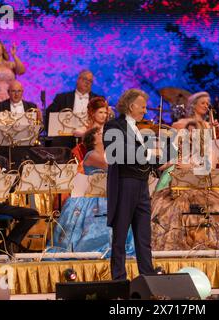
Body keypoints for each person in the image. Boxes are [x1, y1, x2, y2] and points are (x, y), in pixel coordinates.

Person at [103, 88, 161, 280]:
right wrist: (149, 154)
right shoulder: (113, 126)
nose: (145, 111)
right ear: (131, 106)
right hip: (124, 183)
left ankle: (148, 276)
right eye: (142, 106)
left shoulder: (139, 129)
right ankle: (119, 278)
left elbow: (147, 161)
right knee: (120, 236)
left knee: (144, 236)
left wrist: (162, 159)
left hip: (142, 185)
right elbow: (117, 154)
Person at [151, 120, 219, 251]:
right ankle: (171, 246)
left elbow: (209, 170)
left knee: (204, 208)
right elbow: (162, 166)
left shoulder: (208, 151)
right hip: (180, 190)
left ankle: (202, 243)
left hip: (202, 190)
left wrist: (190, 166)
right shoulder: (182, 150)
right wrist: (168, 160)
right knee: (164, 207)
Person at [51, 127, 135, 255]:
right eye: (101, 133)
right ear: (94, 140)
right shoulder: (91, 155)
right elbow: (112, 167)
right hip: (92, 198)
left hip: (109, 195)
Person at [46, 70, 101, 148]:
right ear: (78, 80)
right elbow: (50, 115)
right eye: (85, 79)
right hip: (66, 136)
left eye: (90, 81)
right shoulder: (62, 98)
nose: (87, 82)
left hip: (89, 137)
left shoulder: (98, 99)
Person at [71, 97, 111, 172]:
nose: (103, 116)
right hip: (93, 160)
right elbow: (75, 132)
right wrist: (91, 133)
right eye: (100, 112)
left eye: (105, 113)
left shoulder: (109, 128)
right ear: (93, 113)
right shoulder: (88, 128)